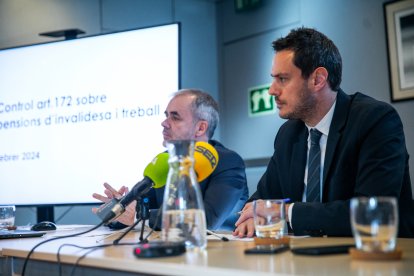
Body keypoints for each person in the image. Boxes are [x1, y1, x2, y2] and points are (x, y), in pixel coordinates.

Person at [233, 27, 413, 238]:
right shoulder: (288, 134)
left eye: (282, 79)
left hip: (373, 259)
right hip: (303, 260)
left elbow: (372, 212)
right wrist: (254, 215)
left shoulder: (375, 120)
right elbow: (261, 200)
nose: (272, 90)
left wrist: (284, 212)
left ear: (318, 79)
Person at [93, 89, 249, 230]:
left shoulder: (228, 163)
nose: (164, 123)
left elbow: (206, 222)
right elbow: (142, 207)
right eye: (166, 116)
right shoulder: (167, 161)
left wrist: (138, 216)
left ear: (200, 128)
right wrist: (119, 209)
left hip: (216, 254)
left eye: (175, 117)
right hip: (170, 250)